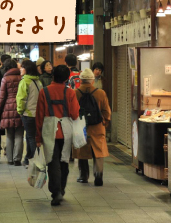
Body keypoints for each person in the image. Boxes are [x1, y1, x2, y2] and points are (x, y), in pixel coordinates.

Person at [36, 65, 80, 206]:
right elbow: (74, 114)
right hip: (65, 131)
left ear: (53, 75)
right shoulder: (70, 93)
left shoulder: (44, 92)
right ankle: (61, 188)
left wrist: (37, 137)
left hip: (49, 131)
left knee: (52, 162)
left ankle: (56, 192)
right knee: (64, 161)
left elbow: (39, 116)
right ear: (67, 78)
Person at [74, 69, 111, 186]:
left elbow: (72, 111)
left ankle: (83, 176)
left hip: (81, 127)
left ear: (80, 80)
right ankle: (98, 175)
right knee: (99, 151)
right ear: (92, 80)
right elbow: (106, 111)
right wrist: (105, 122)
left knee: (82, 150)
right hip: (97, 126)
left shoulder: (75, 92)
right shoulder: (100, 93)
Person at [0, 59, 24, 166]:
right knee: (20, 134)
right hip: (21, 107)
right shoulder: (22, 78)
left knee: (10, 134)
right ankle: (17, 159)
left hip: (8, 107)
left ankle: (10, 159)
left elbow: (1, 97)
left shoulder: (5, 78)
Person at [17, 60, 43, 166]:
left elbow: (21, 99)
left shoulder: (25, 81)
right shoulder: (38, 81)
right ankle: (28, 157)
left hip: (28, 114)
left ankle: (35, 159)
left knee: (31, 137)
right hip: (37, 113)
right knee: (29, 136)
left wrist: (20, 111)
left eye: (22, 67)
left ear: (27, 69)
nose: (20, 69)